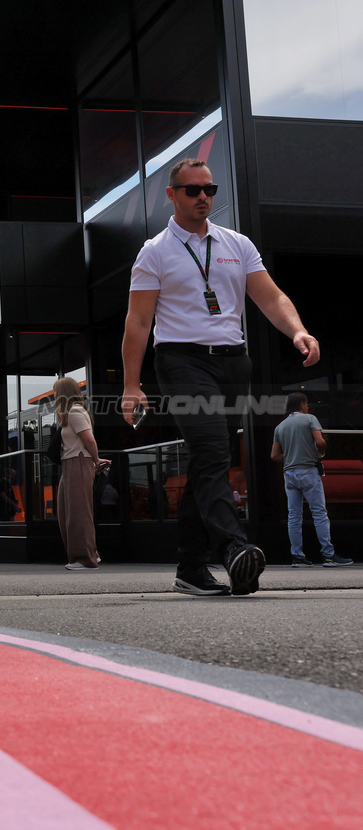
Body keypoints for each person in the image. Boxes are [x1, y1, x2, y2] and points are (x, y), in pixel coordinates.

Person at [122, 157, 321, 596]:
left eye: (209, 190)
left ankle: (190, 568)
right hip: (181, 361)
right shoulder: (154, 251)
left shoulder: (237, 244)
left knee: (208, 460)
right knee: (212, 450)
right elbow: (137, 323)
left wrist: (298, 331)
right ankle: (234, 549)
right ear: (172, 195)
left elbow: (270, 298)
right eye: (193, 191)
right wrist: (131, 386)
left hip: (233, 363)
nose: (203, 198)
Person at [272, 393, 352, 568]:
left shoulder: (280, 426)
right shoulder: (310, 419)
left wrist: (292, 456)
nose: (307, 407)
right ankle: (329, 556)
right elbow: (320, 442)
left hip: (289, 474)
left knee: (294, 516)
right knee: (319, 513)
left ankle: (298, 557)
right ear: (302, 404)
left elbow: (274, 455)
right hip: (308, 471)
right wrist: (319, 453)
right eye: (306, 404)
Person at [53, 378, 110, 570]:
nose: (53, 395)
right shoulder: (69, 413)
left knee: (79, 512)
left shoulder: (75, 411)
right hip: (71, 463)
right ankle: (89, 554)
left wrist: (96, 460)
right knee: (66, 511)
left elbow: (89, 440)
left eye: (56, 391)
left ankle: (85, 559)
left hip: (78, 461)